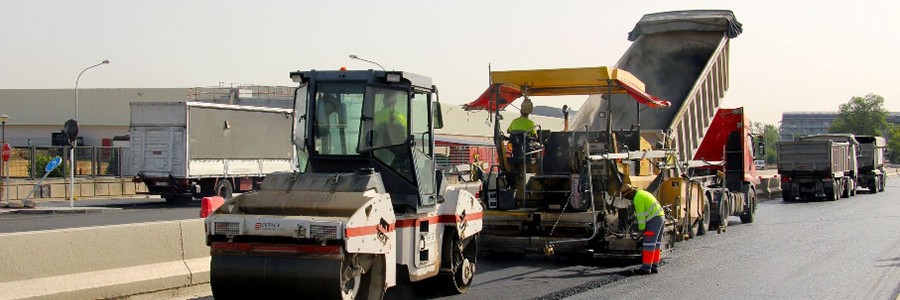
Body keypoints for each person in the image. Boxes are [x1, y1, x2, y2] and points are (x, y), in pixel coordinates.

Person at [621, 183, 665, 275]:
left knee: (648, 244)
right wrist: (632, 219)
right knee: (655, 244)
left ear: (629, 193)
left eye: (626, 196)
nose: (627, 199)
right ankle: (654, 266)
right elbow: (642, 212)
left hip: (654, 220)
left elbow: (641, 217)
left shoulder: (637, 198)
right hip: (660, 217)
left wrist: (641, 230)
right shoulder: (641, 193)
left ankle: (646, 268)